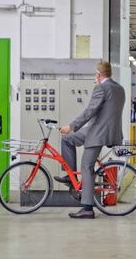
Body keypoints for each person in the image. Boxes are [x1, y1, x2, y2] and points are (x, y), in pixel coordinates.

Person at [56, 61, 125, 219]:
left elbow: (90, 111)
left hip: (98, 132)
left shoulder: (101, 88)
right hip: (106, 131)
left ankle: (87, 208)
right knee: (68, 140)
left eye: (95, 74)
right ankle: (69, 175)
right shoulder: (120, 89)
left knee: (86, 166)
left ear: (98, 74)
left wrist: (71, 126)